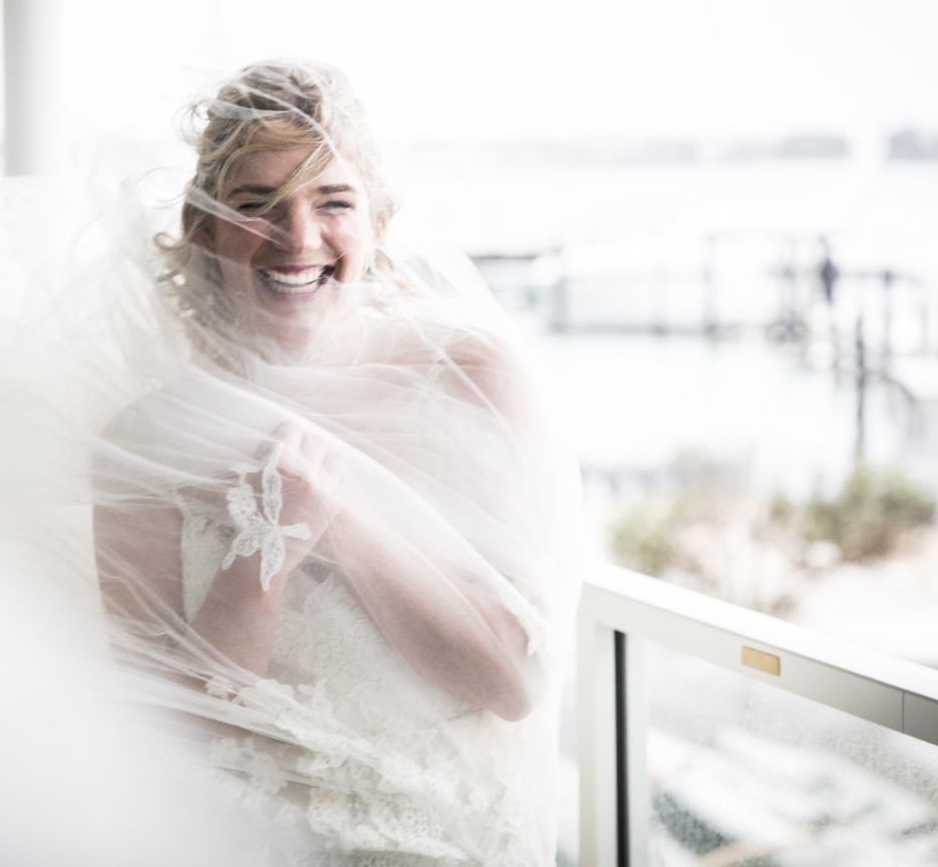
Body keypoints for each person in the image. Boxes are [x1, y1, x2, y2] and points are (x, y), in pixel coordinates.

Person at [93, 61, 582, 866]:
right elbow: (169, 733)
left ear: (380, 221)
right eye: (256, 206)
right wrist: (267, 550)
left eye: (333, 203)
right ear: (206, 229)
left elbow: (516, 683)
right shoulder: (147, 441)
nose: (299, 238)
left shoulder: (468, 375)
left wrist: (343, 526)